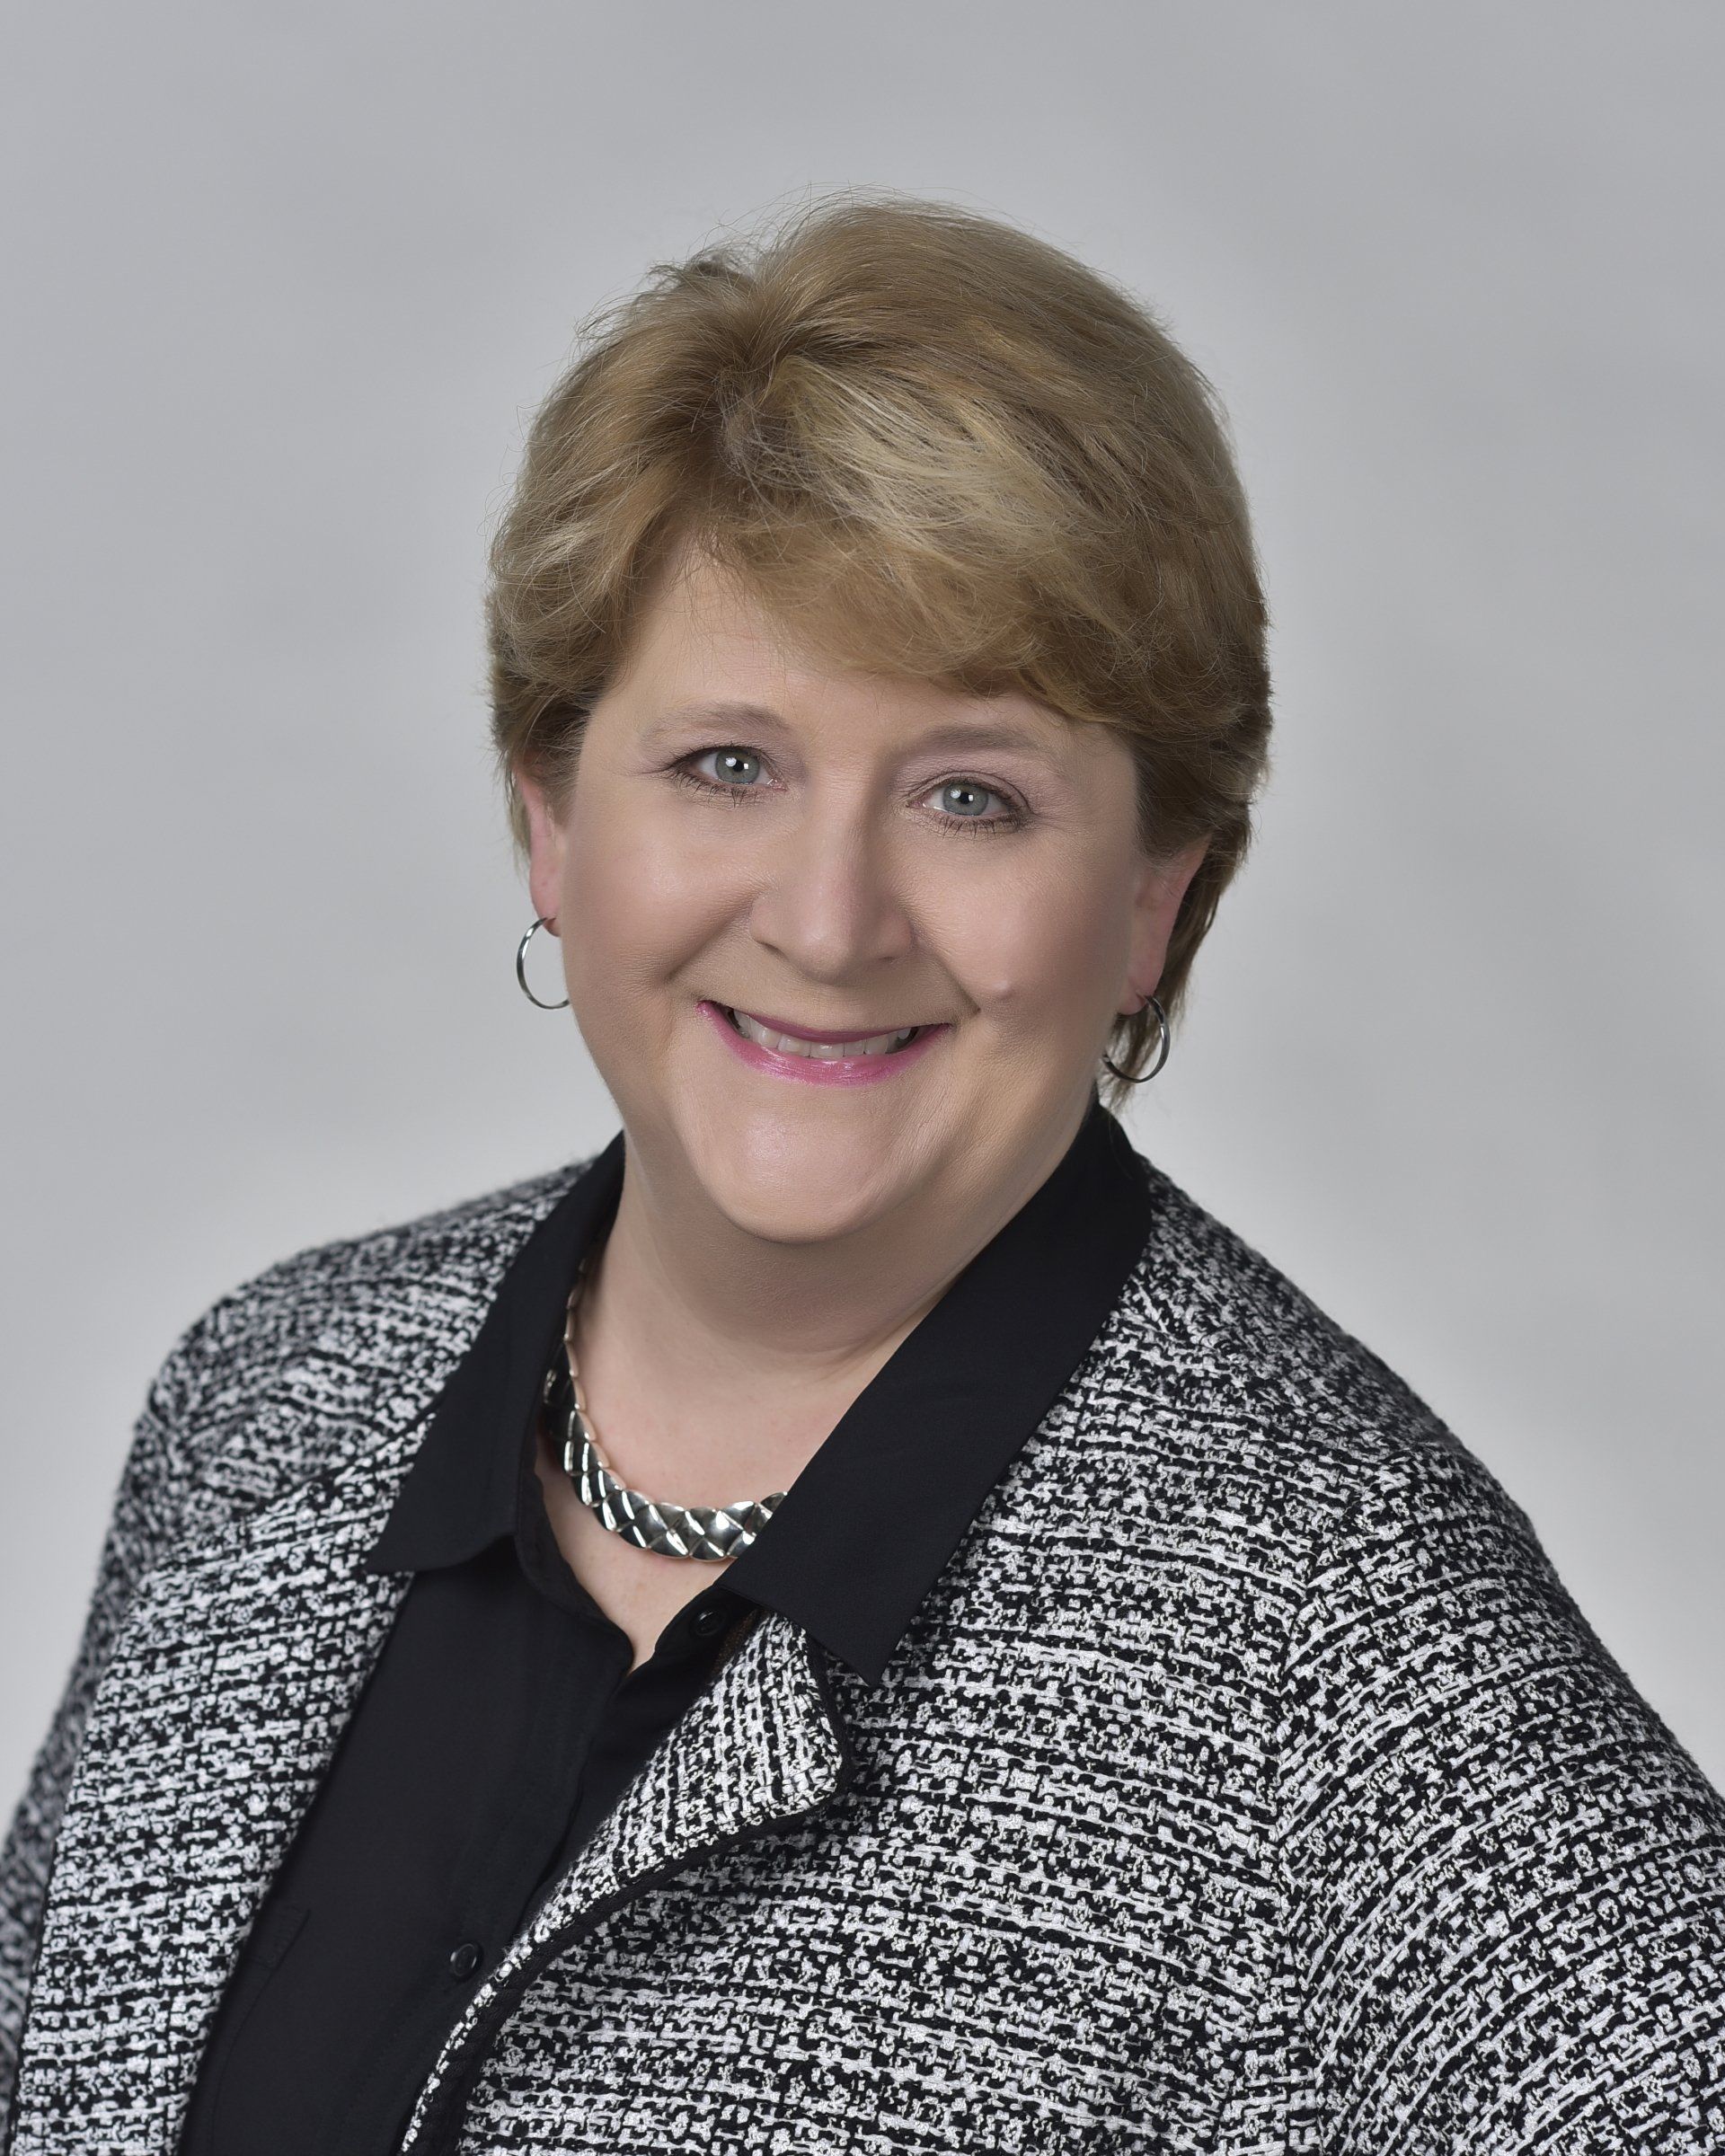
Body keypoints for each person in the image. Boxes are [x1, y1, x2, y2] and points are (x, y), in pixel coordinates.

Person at [2, 190, 1721, 2156]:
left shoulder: (1339, 1643)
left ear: (1153, 897)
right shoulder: (274, 1397)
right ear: (550, 816)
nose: (828, 922)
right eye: (727, 765)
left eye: (972, 796)